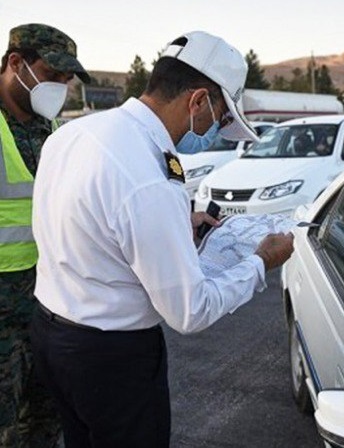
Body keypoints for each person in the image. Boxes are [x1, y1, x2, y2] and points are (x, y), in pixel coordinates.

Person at [29, 30, 294, 447]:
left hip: (52, 336)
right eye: (221, 118)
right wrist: (261, 262)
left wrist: (175, 225)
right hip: (112, 361)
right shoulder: (150, 178)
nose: (215, 131)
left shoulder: (73, 134)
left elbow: (87, 223)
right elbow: (190, 312)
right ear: (197, 100)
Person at [0, 23, 90, 447]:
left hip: (46, 306)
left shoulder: (50, 131)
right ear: (15, 63)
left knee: (46, 422)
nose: (61, 87)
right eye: (52, 75)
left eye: (67, 80)